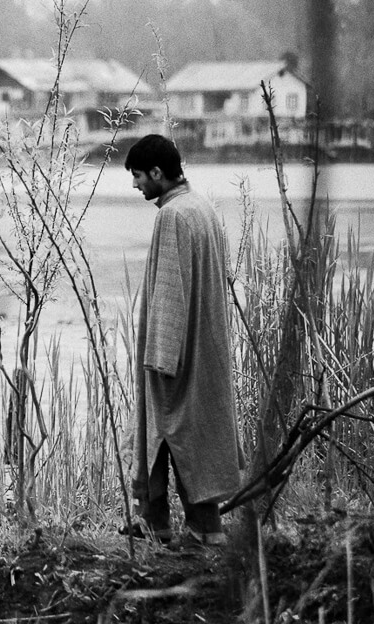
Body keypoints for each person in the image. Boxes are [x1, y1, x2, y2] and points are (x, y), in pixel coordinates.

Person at [124, 134, 242, 546]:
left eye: (139, 176)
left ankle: (183, 529)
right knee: (191, 435)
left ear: (158, 173)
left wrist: (160, 358)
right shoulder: (202, 206)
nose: (136, 185)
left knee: (172, 431)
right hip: (204, 344)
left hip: (178, 351)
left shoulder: (173, 215)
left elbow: (172, 292)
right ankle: (173, 526)